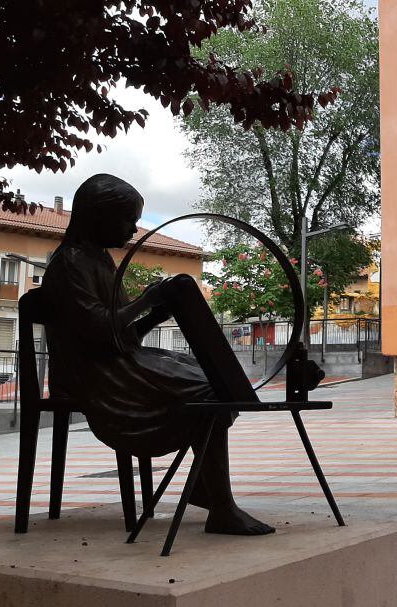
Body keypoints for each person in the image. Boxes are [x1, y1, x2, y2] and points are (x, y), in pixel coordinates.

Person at [42, 173, 274, 536]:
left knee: (214, 377)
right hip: (94, 375)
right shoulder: (69, 262)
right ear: (97, 216)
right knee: (208, 390)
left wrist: (156, 313)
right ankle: (221, 507)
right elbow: (100, 330)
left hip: (117, 361)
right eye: (128, 220)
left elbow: (122, 336)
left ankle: (206, 488)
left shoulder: (100, 260)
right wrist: (145, 301)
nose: (134, 229)